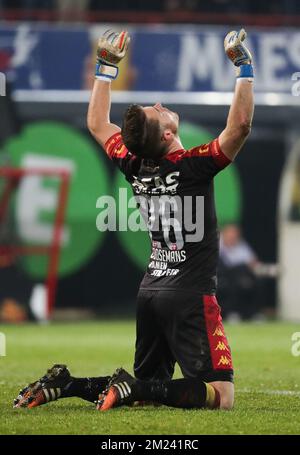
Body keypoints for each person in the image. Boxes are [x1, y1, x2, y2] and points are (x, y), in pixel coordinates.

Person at [14, 28, 254, 411]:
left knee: (146, 388)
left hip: (152, 292)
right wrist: (244, 68)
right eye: (156, 111)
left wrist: (105, 67)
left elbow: (96, 123)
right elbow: (239, 127)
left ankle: (67, 383)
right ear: (170, 132)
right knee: (220, 397)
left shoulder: (134, 163)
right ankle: (135, 389)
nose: (159, 103)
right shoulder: (193, 166)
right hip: (189, 296)